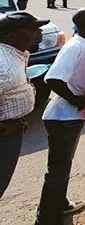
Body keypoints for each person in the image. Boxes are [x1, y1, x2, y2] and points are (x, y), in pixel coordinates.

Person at [37, 8, 85, 223]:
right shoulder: (74, 46)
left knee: (63, 167)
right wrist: (76, 100)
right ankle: (47, 217)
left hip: (73, 117)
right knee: (58, 170)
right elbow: (53, 79)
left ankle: (59, 203)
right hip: (62, 118)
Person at [0, 12, 47, 199]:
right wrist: (3, 128)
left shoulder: (14, 55)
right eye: (33, 29)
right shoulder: (4, 66)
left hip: (12, 129)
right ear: (13, 35)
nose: (39, 32)